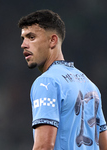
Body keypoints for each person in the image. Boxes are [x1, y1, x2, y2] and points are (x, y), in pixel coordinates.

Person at [18, 9, 107, 150]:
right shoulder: (90, 85)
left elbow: (43, 146)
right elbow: (104, 145)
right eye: (23, 38)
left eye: (31, 37)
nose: (24, 44)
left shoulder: (47, 82)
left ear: (52, 40)